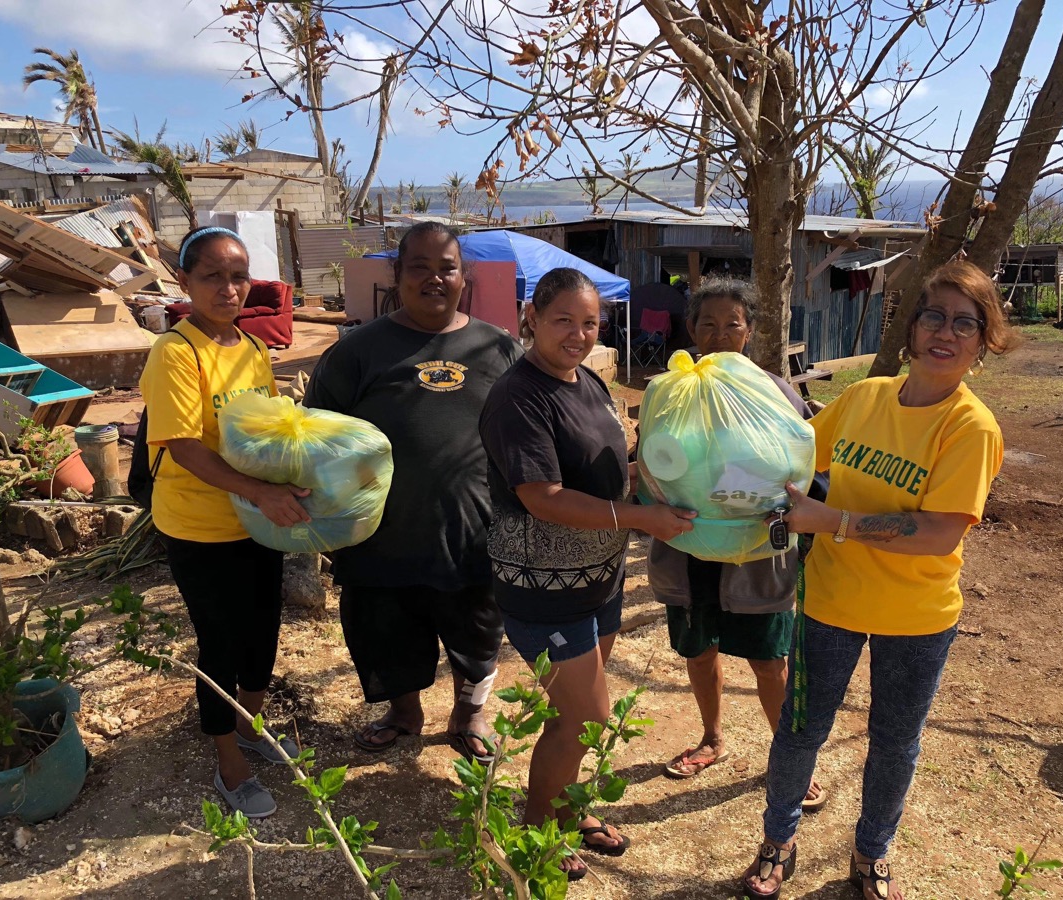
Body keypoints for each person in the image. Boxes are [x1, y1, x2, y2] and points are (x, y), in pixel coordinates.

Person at [741, 260, 1015, 900]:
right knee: (801, 729)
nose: (945, 333)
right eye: (934, 316)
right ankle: (777, 843)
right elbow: (796, 453)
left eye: (964, 324)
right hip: (831, 601)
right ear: (912, 326)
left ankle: (871, 854)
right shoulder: (867, 396)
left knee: (894, 743)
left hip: (917, 618)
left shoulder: (970, 428)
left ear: (984, 340)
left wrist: (829, 519)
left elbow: (939, 534)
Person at [479, 267, 696, 881]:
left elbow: (608, 467)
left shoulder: (590, 383)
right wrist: (639, 517)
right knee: (586, 717)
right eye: (563, 321)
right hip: (540, 583)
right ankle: (538, 832)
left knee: (573, 716)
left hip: (596, 576)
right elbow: (542, 495)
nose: (578, 334)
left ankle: (565, 814)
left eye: (590, 323)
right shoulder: (519, 396)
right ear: (531, 318)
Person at [304, 222, 522, 764]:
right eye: (419, 267)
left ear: (463, 278)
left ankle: (469, 714)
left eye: (446, 267)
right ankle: (404, 713)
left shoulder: (499, 348)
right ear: (397, 275)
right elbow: (314, 436)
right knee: (385, 628)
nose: (433, 278)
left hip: (474, 530)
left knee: (477, 631)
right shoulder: (358, 352)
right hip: (381, 533)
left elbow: (533, 426)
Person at [140, 226, 310, 818]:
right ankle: (228, 765)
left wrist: (298, 469)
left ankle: (248, 727)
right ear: (184, 282)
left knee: (262, 631)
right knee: (219, 643)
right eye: (212, 276)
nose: (228, 288)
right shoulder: (175, 352)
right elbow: (184, 445)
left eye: (239, 276)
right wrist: (263, 493)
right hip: (197, 524)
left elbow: (260, 431)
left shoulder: (254, 349)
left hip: (253, 519)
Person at [648, 279, 826, 815]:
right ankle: (712, 738)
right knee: (698, 652)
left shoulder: (773, 392)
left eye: (733, 325)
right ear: (691, 330)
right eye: (707, 324)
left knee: (770, 661)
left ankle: (790, 758)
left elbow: (804, 461)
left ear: (750, 331)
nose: (720, 335)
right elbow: (652, 464)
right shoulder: (671, 389)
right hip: (688, 547)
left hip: (757, 553)